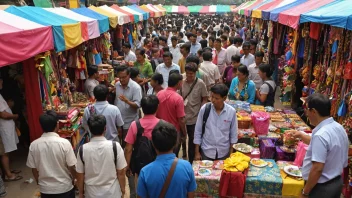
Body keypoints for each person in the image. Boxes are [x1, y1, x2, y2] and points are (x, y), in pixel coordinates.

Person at [291, 94, 348, 198]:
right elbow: (324, 146)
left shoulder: (321, 135)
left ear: (313, 111)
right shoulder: (339, 128)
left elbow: (317, 168)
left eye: (306, 109)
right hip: (336, 182)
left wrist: (305, 192)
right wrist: (301, 135)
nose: (306, 113)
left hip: (321, 187)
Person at [137, 121, 197, 198]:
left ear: (153, 144)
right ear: (176, 143)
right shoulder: (187, 167)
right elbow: (191, 195)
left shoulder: (145, 172)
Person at [27, 110, 76, 198]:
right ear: (57, 124)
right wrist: (74, 179)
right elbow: (71, 166)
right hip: (64, 187)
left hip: (46, 189)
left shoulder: (34, 145)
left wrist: (39, 182)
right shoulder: (64, 143)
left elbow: (34, 169)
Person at [77, 115, 127, 198]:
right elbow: (121, 172)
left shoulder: (83, 149)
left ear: (90, 129)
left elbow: (80, 174)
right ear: (105, 128)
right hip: (112, 193)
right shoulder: (115, 146)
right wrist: (123, 190)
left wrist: (81, 193)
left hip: (91, 194)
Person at [194, 84, 238, 160]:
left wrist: (231, 153)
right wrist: (197, 152)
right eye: (212, 97)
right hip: (207, 151)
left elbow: (233, 134)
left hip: (224, 152)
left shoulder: (231, 112)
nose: (213, 100)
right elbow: (198, 131)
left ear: (224, 98)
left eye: (216, 98)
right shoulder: (205, 109)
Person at [124, 95, 160, 182]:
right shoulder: (162, 125)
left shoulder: (135, 125)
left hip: (140, 166)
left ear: (142, 108)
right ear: (157, 107)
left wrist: (127, 166)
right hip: (158, 166)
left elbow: (128, 149)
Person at [181, 63, 208, 164]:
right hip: (183, 117)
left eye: (191, 74)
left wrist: (201, 111)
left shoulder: (200, 83)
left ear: (196, 73)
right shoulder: (182, 83)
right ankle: (183, 157)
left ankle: (191, 162)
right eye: (187, 73)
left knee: (193, 141)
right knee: (181, 139)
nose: (189, 76)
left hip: (195, 118)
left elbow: (205, 99)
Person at [156, 73, 186, 155]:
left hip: (160, 130)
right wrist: (184, 132)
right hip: (173, 132)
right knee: (173, 155)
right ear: (178, 83)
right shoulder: (178, 98)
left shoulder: (159, 94)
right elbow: (181, 119)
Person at [114, 66, 142, 147]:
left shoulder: (136, 87)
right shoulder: (117, 85)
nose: (122, 80)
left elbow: (138, 105)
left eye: (124, 77)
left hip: (130, 121)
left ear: (129, 75)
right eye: (120, 77)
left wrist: (127, 101)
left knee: (128, 146)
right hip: (119, 121)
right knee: (119, 145)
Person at [0, 78, 22, 182]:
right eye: (0, 81)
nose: (2, 82)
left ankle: (9, 170)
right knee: (5, 152)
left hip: (7, 127)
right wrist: (14, 116)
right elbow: (2, 114)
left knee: (9, 150)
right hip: (4, 127)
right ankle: (8, 174)